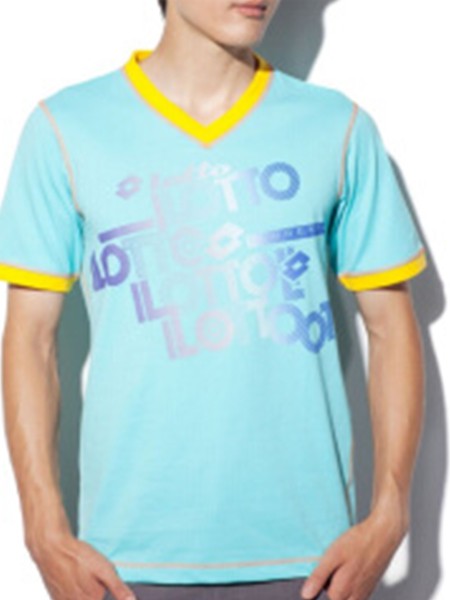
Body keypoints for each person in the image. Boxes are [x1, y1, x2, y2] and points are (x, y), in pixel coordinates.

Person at [0, 0, 428, 598]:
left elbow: (390, 325)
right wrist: (42, 529)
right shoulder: (66, 128)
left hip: (313, 565)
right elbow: (29, 338)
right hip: (125, 568)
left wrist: (391, 514)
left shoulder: (337, 127)